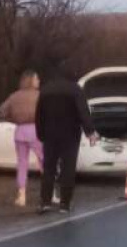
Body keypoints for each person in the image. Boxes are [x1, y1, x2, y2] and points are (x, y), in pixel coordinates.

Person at [35, 62, 98, 214]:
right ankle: (64, 203)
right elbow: (83, 112)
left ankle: (45, 202)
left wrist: (40, 133)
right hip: (70, 135)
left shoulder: (45, 90)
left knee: (48, 168)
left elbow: (39, 114)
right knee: (67, 169)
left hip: (50, 134)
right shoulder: (75, 90)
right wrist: (90, 132)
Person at [0, 70, 45, 207]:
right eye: (36, 79)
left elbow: (2, 111)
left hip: (20, 131)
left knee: (22, 164)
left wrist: (13, 119)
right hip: (36, 130)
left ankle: (22, 196)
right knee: (44, 161)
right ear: (31, 80)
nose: (39, 81)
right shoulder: (39, 96)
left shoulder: (14, 96)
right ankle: (50, 192)